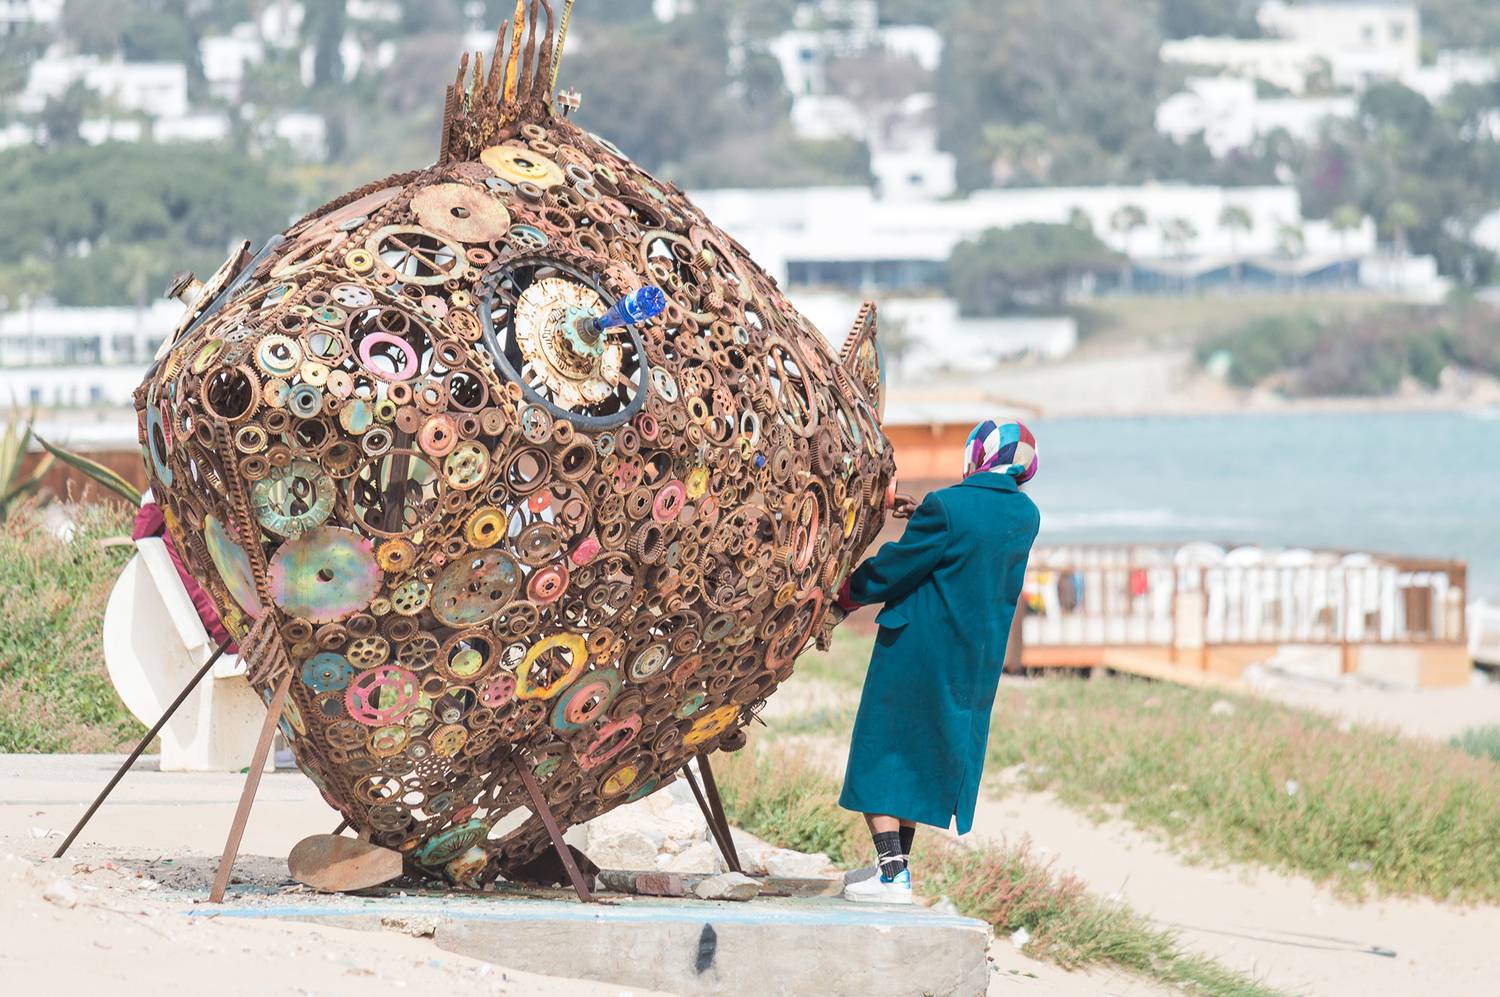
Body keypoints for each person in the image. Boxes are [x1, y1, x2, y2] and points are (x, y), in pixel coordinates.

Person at [837, 420, 1040, 904]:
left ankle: (891, 876)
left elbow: (898, 566)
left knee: (881, 751)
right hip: (972, 659)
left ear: (978, 455)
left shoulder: (947, 507)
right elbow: (968, 544)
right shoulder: (1026, 516)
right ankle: (895, 870)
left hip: (916, 648)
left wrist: (847, 594)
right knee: (921, 756)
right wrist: (926, 517)